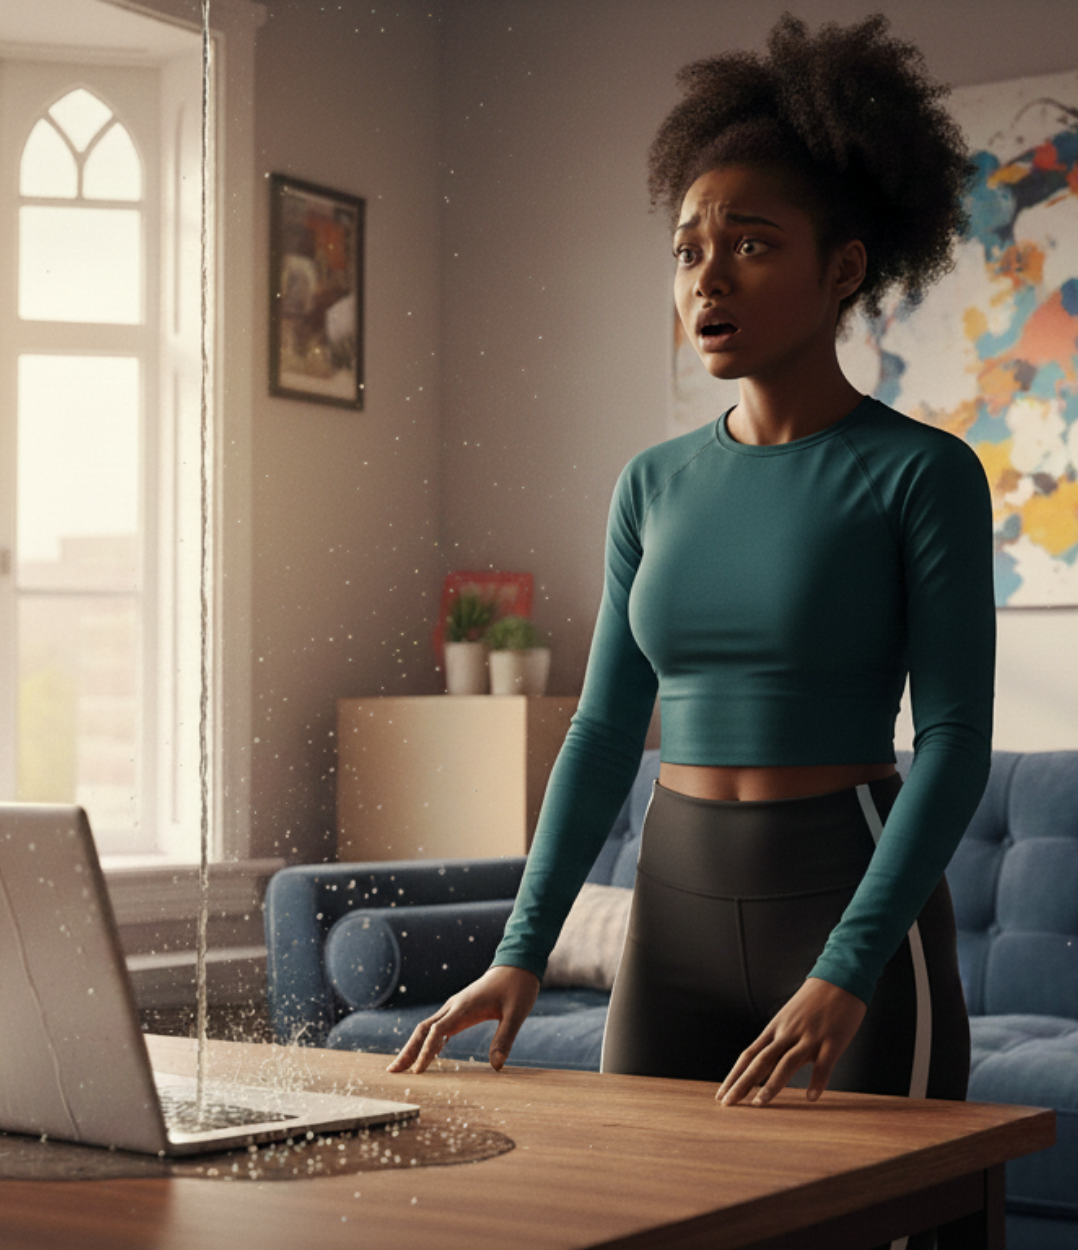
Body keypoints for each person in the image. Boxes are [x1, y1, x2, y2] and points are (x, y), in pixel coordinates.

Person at [390, 12, 992, 1125]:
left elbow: (954, 740)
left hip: (843, 907)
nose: (706, 277)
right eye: (686, 248)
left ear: (842, 267)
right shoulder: (650, 484)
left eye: (751, 242)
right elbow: (603, 732)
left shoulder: (921, 473)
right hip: (669, 908)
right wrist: (520, 949)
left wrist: (849, 965)